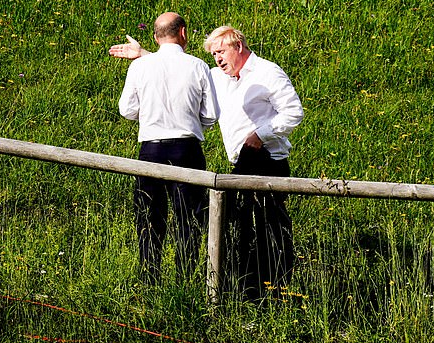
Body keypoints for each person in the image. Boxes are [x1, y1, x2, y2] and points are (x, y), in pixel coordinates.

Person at [111, 25, 303, 300]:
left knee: (270, 230)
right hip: (241, 163)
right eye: (213, 54)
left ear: (237, 45)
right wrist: (145, 55)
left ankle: (276, 291)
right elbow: (178, 69)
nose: (218, 59)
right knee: (242, 232)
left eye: (221, 51)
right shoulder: (217, 76)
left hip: (268, 160)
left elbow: (293, 112)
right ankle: (249, 294)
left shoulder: (266, 73)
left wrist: (261, 135)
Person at [117, 12, 220, 284]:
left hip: (150, 151)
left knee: (149, 216)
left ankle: (149, 278)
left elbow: (127, 110)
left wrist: (151, 115)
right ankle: (184, 279)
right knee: (189, 219)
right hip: (186, 150)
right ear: (183, 33)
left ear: (155, 37)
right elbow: (211, 114)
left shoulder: (140, 67)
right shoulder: (198, 67)